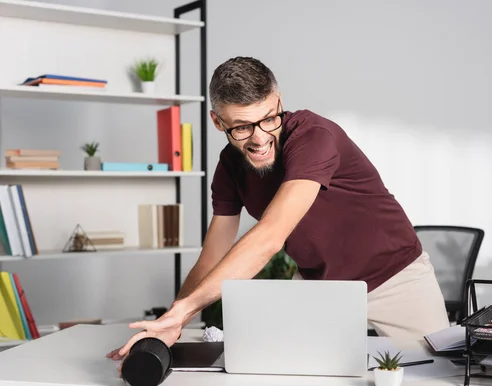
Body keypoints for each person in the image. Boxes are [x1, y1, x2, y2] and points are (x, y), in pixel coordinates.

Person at [107, 56, 449, 363]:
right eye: (241, 126)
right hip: (322, 286)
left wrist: (182, 313)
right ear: (216, 121)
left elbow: (270, 236)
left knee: (440, 376)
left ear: (280, 101)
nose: (259, 138)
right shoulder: (229, 167)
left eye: (269, 118)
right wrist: (171, 322)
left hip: (397, 277)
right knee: (282, 371)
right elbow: (212, 256)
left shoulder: (314, 137)